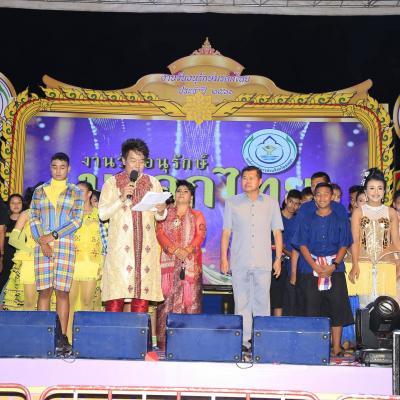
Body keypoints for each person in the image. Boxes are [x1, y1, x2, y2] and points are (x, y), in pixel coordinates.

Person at [98, 138, 167, 313]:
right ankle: (112, 331)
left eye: (141, 161)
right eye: (133, 160)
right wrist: (121, 198)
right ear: (123, 160)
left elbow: (160, 216)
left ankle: (138, 331)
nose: (137, 165)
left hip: (145, 251)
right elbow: (102, 214)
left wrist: (161, 210)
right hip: (120, 252)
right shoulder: (111, 183)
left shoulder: (153, 183)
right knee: (115, 297)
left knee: (141, 299)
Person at [220, 166, 283, 351]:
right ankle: (244, 341)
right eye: (244, 178)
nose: (247, 181)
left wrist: (278, 258)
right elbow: (226, 232)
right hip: (240, 260)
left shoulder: (271, 203)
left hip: (263, 261)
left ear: (260, 181)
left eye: (251, 178)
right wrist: (224, 258)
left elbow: (277, 232)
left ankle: (262, 339)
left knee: (263, 302)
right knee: (241, 303)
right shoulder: (232, 202)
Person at [30, 152, 84, 354]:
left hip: (64, 245)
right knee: (44, 290)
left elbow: (76, 221)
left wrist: (51, 236)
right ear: (50, 168)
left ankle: (62, 337)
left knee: (62, 291)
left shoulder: (75, 192)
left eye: (62, 167)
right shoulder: (39, 191)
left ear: (68, 169)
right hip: (42, 246)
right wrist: (41, 240)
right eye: (54, 166)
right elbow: (33, 218)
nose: (58, 170)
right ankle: (42, 335)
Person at [292, 182, 353, 357]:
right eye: (318, 194)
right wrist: (314, 265)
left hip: (335, 268)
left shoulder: (340, 219)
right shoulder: (307, 219)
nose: (322, 198)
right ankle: (314, 347)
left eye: (326, 194)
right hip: (312, 268)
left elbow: (344, 243)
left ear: (332, 196)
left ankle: (337, 347)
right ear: (314, 197)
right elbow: (302, 244)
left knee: (337, 307)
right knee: (312, 308)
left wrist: (334, 265)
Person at [155, 180, 206, 350]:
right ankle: (164, 342)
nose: (181, 193)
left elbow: (200, 235)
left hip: (190, 265)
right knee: (167, 301)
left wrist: (187, 250)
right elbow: (159, 233)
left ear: (191, 197)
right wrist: (175, 250)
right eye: (179, 190)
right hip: (168, 265)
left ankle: (189, 342)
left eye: (185, 191)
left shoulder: (197, 215)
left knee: (190, 302)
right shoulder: (165, 213)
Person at [348, 168, 400, 308]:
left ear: (384, 191)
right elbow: (355, 240)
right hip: (364, 264)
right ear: (365, 191)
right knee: (366, 305)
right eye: (372, 188)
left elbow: (396, 243)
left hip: (386, 264)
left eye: (380, 188)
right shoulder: (358, 212)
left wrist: (397, 264)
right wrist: (355, 264)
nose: (376, 192)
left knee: (387, 306)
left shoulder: (391, 212)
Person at [67, 181, 105, 339]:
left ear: (89, 194)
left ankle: (85, 338)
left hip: (92, 263)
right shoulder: (69, 214)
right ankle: (68, 338)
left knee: (87, 301)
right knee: (69, 302)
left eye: (81, 191)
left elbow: (106, 240)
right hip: (72, 262)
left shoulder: (100, 214)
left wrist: (104, 263)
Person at [270, 189, 301, 317]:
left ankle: (281, 325)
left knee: (286, 300)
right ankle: (267, 325)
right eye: (291, 202)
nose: (293, 206)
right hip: (272, 263)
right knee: (272, 298)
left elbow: (296, 250)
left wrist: (282, 249)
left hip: (292, 266)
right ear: (286, 200)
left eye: (297, 204)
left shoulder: (298, 221)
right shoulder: (274, 216)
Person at [0, 194, 23, 295]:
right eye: (13, 203)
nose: (16, 205)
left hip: (22, 257)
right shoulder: (4, 221)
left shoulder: (27, 221)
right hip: (6, 257)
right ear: (8, 205)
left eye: (19, 203)